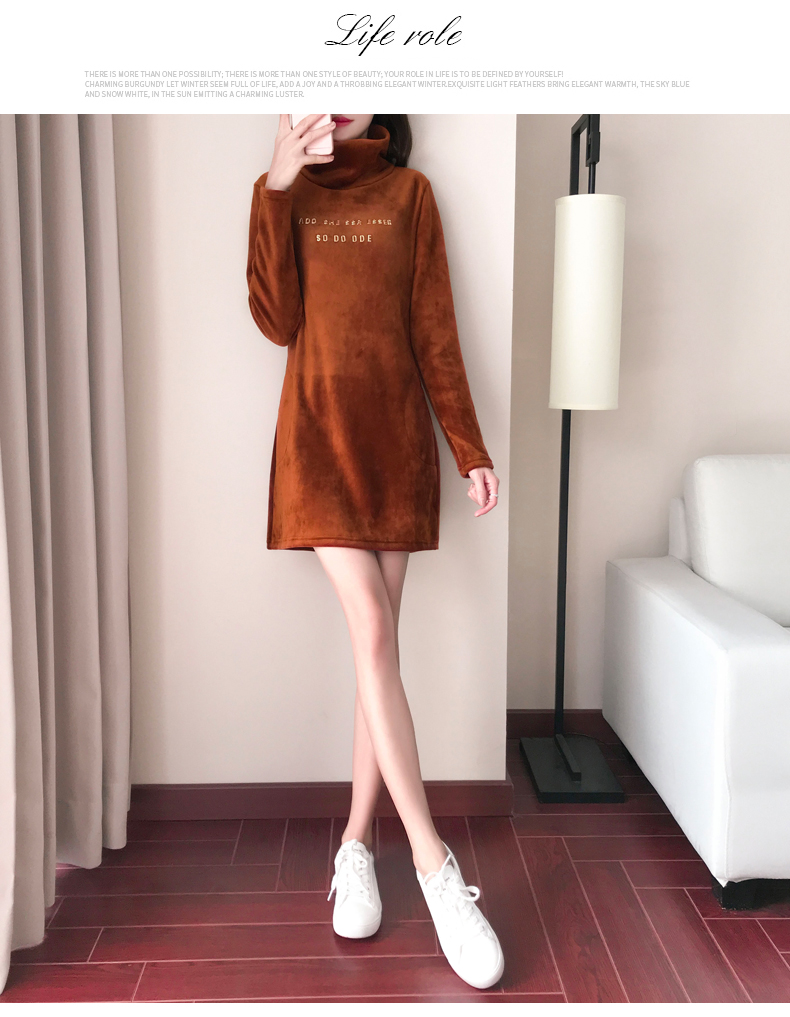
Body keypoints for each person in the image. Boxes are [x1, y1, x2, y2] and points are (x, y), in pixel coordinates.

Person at [246, 113, 504, 990]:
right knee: (375, 633)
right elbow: (275, 320)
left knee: (376, 653)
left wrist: (469, 448)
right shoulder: (284, 193)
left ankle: (355, 844)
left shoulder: (410, 193)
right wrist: (276, 188)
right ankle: (436, 867)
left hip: (396, 448)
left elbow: (435, 330)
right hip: (317, 447)